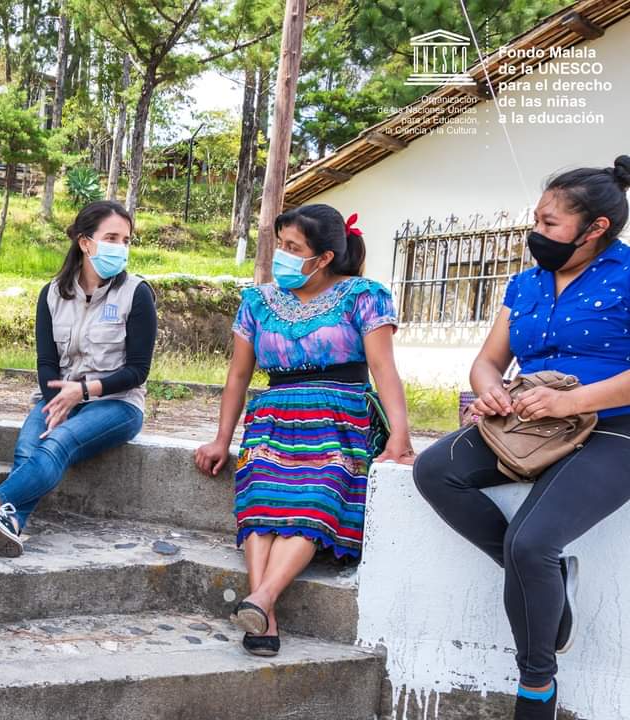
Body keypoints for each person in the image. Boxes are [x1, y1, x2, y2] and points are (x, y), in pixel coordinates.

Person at [413, 157, 630, 720]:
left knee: (530, 543)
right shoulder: (526, 282)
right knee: (434, 470)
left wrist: (571, 401)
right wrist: (491, 393)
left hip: (614, 426)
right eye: (536, 219)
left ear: (596, 228)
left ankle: (536, 687)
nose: (537, 233)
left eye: (550, 223)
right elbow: (488, 361)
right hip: (528, 420)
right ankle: (546, 583)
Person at [194, 204, 414, 657]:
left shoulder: (364, 295)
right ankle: (265, 607)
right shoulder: (257, 301)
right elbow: (238, 377)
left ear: (325, 257)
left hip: (341, 419)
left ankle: (261, 603)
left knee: (315, 496)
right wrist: (221, 439)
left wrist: (399, 434)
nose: (284, 256)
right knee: (260, 499)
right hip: (273, 419)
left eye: (294, 248)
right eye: (282, 246)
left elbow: (383, 367)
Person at [0, 200, 157, 557]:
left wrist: (82, 393)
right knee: (27, 449)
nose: (121, 247)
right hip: (59, 397)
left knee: (57, 444)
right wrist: (57, 399)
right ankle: (12, 524)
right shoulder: (52, 294)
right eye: (112, 237)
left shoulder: (136, 294)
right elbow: (46, 363)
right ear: (85, 242)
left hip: (117, 405)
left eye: (126, 240)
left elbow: (137, 370)